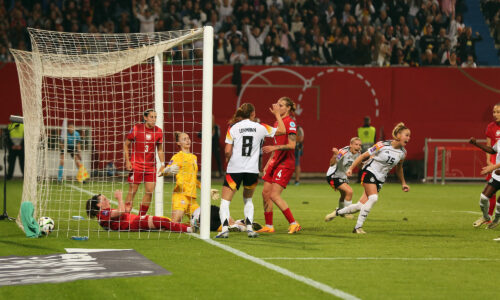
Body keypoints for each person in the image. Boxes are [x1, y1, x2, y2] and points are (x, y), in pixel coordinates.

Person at [216, 102, 285, 238]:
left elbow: (227, 151)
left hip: (235, 169)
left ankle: (224, 230)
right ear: (253, 114)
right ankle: (249, 229)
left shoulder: (233, 128)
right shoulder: (261, 127)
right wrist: (277, 114)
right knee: (248, 200)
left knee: (225, 201)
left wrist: (227, 160)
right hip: (252, 170)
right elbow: (282, 131)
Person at [328, 123, 411, 234]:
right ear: (398, 135)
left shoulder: (402, 153)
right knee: (373, 198)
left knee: (360, 206)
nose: (408, 138)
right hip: (369, 172)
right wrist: (351, 168)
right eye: (406, 135)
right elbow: (363, 156)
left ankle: (337, 212)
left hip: (380, 179)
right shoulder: (381, 145)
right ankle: (357, 228)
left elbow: (399, 168)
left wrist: (403, 183)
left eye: (409, 136)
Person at [257, 97, 302, 234]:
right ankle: (269, 226)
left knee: (274, 195)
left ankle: (294, 223)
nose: (278, 107)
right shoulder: (277, 122)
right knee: (265, 193)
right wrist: (269, 161)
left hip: (285, 163)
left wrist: (274, 148)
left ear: (288, 108)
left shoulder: (291, 123)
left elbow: (292, 145)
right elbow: (276, 144)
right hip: (275, 162)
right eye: (277, 104)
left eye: (281, 105)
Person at [86, 190, 191, 232]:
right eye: (104, 199)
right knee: (163, 222)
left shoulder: (105, 213)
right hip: (134, 223)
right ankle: (189, 229)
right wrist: (119, 198)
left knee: (164, 222)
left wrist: (127, 209)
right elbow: (121, 211)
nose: (108, 200)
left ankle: (187, 227)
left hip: (134, 222)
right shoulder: (103, 214)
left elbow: (122, 213)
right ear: (99, 205)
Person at [124, 109, 165, 216]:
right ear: (145, 117)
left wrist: (162, 164)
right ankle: (126, 215)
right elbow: (126, 144)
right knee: (133, 190)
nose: (154, 119)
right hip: (136, 165)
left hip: (151, 167)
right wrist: (128, 161)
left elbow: (160, 150)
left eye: (155, 117)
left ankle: (141, 217)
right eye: (152, 117)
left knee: (150, 191)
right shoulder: (137, 128)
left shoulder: (159, 131)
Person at [161, 132, 199, 223]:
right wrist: (168, 170)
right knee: (175, 222)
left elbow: (193, 178)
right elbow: (164, 172)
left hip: (192, 198)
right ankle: (155, 222)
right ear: (178, 143)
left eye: (188, 138)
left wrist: (206, 189)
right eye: (184, 139)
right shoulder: (177, 157)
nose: (187, 141)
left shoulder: (194, 157)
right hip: (181, 195)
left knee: (204, 222)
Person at [324, 137, 362, 221]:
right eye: (356, 144)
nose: (358, 146)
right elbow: (331, 163)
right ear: (350, 145)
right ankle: (346, 212)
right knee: (349, 191)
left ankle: (340, 212)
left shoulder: (358, 153)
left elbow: (359, 164)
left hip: (342, 176)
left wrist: (367, 162)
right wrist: (335, 155)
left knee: (344, 195)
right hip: (333, 176)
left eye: (359, 145)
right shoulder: (343, 152)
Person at [469, 137, 500, 230]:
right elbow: (492, 150)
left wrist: (493, 167)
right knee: (484, 198)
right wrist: (476, 144)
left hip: (497, 171)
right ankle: (486, 217)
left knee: (499, 204)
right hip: (497, 176)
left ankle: (497, 220)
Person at [484, 103, 500, 220]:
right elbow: (489, 146)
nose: (495, 114)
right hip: (495, 160)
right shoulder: (491, 127)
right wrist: (489, 161)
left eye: (498, 112)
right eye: (494, 112)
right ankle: (489, 216)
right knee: (491, 190)